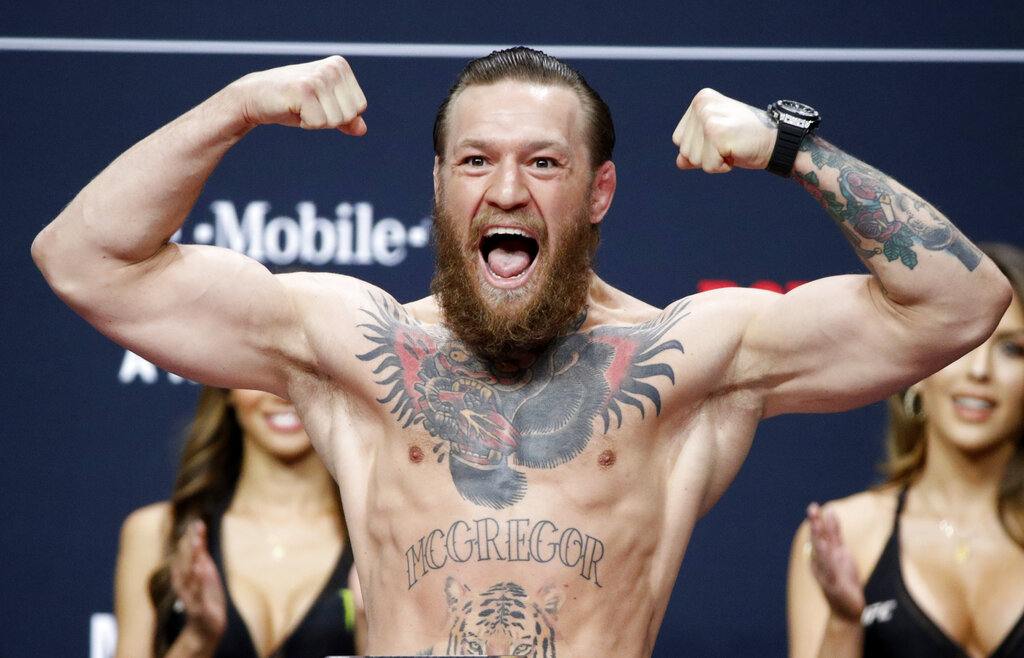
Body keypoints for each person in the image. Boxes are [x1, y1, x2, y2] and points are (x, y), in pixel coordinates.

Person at [32, 47, 1010, 657]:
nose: (506, 189)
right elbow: (84, 259)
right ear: (440, 188)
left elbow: (958, 300)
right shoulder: (353, 344)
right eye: (476, 160)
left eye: (543, 162)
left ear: (598, 194)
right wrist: (236, 104)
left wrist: (794, 149)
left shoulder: (686, 358)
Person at [786, 242, 1024, 658]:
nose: (979, 371)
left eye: (1010, 349)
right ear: (916, 367)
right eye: (962, 343)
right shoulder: (844, 534)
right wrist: (845, 621)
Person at [113, 386, 365, 657]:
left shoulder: (380, 539)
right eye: (258, 374)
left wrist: (368, 628)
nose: (282, 394)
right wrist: (198, 637)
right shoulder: (156, 533)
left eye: (302, 372)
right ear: (226, 388)